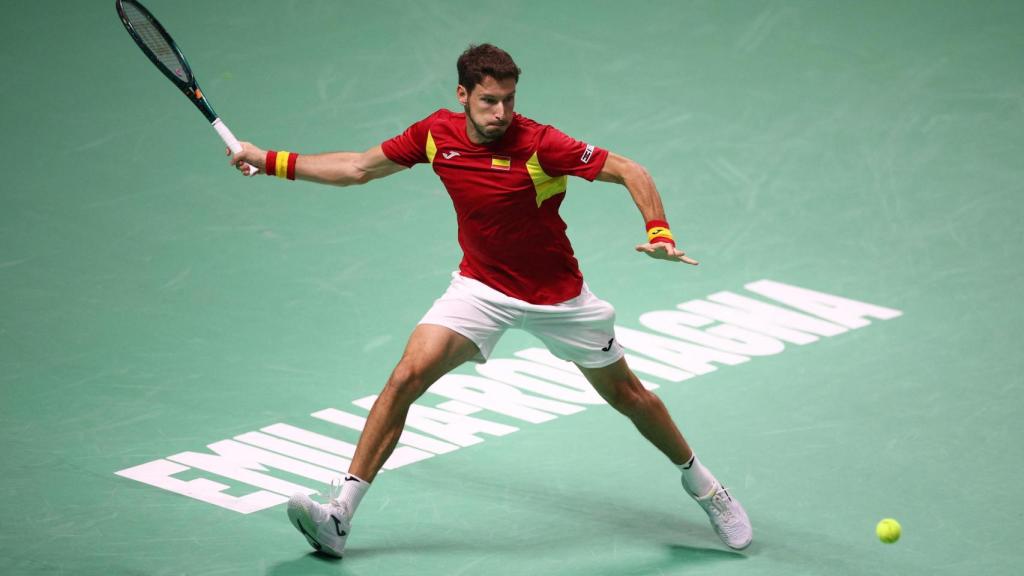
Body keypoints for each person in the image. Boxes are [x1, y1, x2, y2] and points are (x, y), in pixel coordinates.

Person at [229, 43, 752, 557]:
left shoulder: (542, 143)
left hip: (559, 299)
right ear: (463, 95)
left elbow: (630, 169)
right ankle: (340, 514)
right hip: (481, 289)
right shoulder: (436, 134)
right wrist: (268, 160)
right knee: (405, 377)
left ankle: (705, 487)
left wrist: (658, 231)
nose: (501, 112)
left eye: (508, 99)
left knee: (630, 398)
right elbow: (358, 167)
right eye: (488, 101)